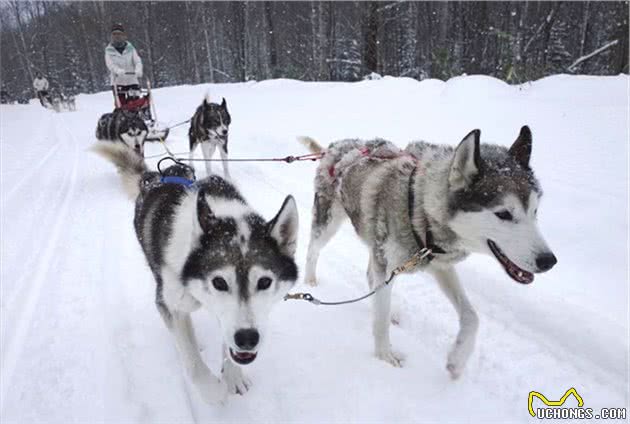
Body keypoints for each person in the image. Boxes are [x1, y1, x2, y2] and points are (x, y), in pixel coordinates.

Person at [105, 23, 143, 107]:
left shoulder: (130, 48)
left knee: (134, 105)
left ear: (123, 35)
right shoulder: (109, 50)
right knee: (121, 106)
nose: (117, 36)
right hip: (117, 82)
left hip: (132, 80)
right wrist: (118, 71)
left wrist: (138, 69)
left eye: (119, 34)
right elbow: (110, 64)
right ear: (111, 36)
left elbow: (137, 60)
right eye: (114, 34)